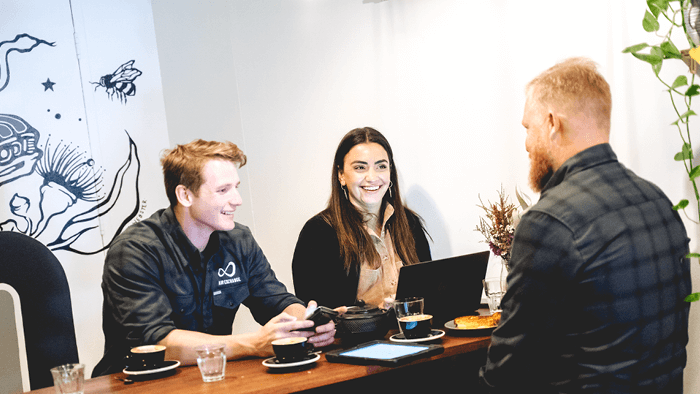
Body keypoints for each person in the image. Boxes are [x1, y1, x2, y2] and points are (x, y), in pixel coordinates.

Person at [479, 57, 691, 392]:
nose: (527, 144)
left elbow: (509, 369)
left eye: (527, 129)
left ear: (551, 123)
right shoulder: (658, 201)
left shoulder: (548, 222)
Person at [93, 139, 336, 377]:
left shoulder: (239, 240)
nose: (237, 200)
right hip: (139, 383)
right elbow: (156, 342)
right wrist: (253, 343)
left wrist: (303, 323)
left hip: (212, 377)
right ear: (185, 195)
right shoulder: (135, 250)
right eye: (223, 190)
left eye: (236, 187)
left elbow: (277, 301)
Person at [292, 127, 431, 310]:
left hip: (413, 333)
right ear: (341, 175)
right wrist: (375, 313)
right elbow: (317, 312)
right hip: (355, 338)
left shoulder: (409, 222)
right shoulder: (318, 232)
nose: (372, 177)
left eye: (381, 166)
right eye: (360, 167)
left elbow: (430, 289)